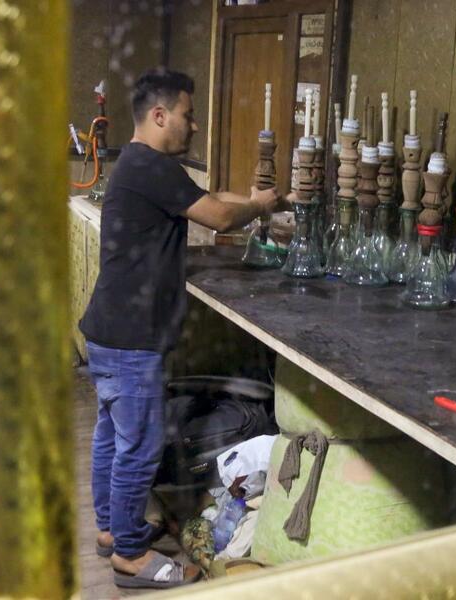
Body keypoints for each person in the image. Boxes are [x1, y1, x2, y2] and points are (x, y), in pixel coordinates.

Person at [79, 67, 281, 589]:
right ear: (160, 115)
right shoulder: (151, 166)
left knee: (113, 438)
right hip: (132, 340)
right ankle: (129, 557)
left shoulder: (142, 165)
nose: (193, 127)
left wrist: (260, 199)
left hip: (109, 330)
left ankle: (110, 529)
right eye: (189, 116)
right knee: (139, 447)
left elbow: (209, 197)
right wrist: (258, 207)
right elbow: (216, 215)